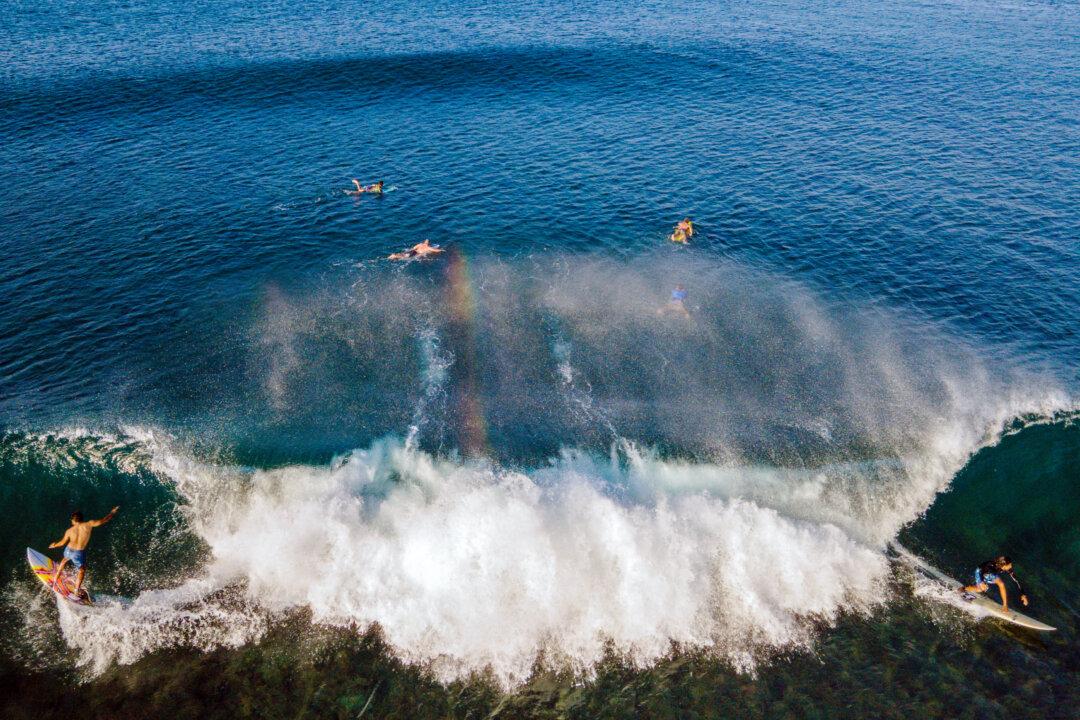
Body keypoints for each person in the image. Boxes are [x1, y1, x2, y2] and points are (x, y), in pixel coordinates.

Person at [48, 507, 119, 598]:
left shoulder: (69, 531)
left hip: (68, 549)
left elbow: (61, 543)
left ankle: (55, 578)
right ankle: (76, 590)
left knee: (64, 560)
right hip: (78, 553)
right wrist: (112, 512)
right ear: (81, 519)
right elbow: (104, 520)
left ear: (73, 520)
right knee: (82, 570)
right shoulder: (89, 524)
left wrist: (54, 545)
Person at [960, 556, 1029, 612]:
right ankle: (964, 589)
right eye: (1010, 565)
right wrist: (981, 582)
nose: (1011, 566)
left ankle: (1005, 606)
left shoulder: (1007, 569)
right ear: (1004, 565)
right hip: (980, 572)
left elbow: (1017, 581)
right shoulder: (991, 566)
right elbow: (980, 571)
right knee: (981, 589)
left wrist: (1023, 595)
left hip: (990, 574)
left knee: (1001, 584)